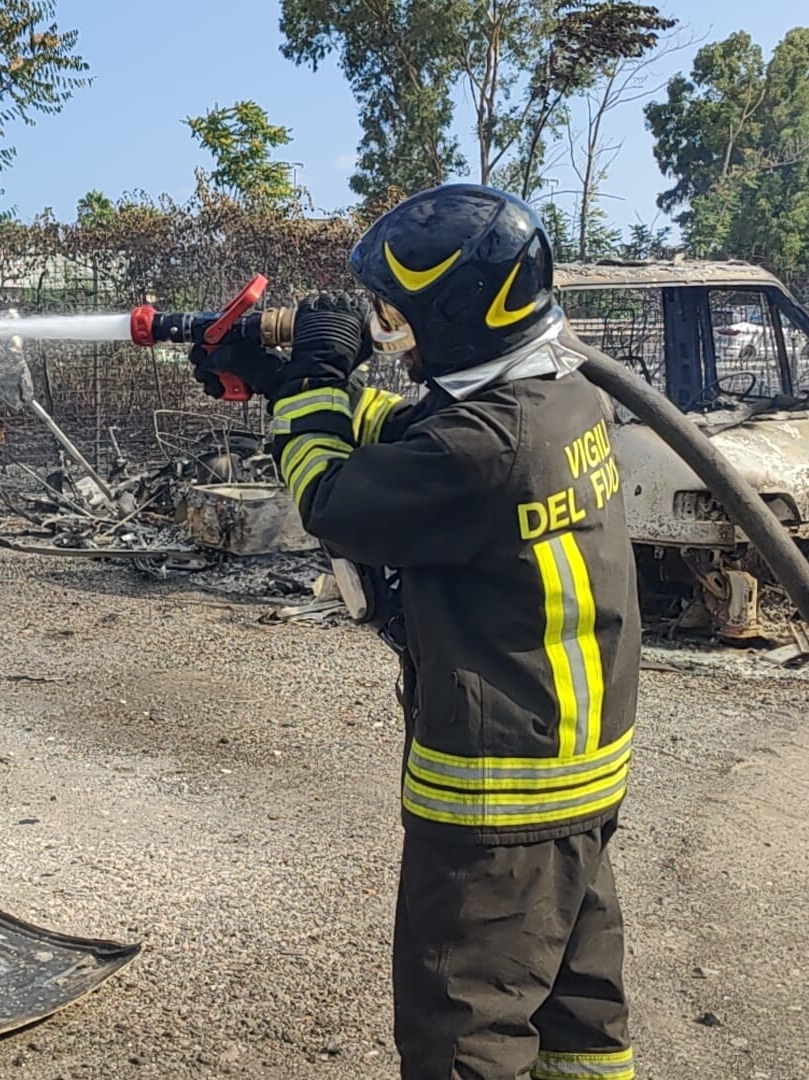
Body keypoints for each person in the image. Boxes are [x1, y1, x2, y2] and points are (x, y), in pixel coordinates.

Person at [195, 185, 638, 1080]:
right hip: (576, 773)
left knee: (462, 1030)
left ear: (462, 316)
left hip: (499, 793)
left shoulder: (483, 448)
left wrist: (316, 387)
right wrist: (300, 382)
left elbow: (336, 501)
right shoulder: (557, 401)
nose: (386, 330)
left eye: (398, 316)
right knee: (577, 1017)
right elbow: (419, 434)